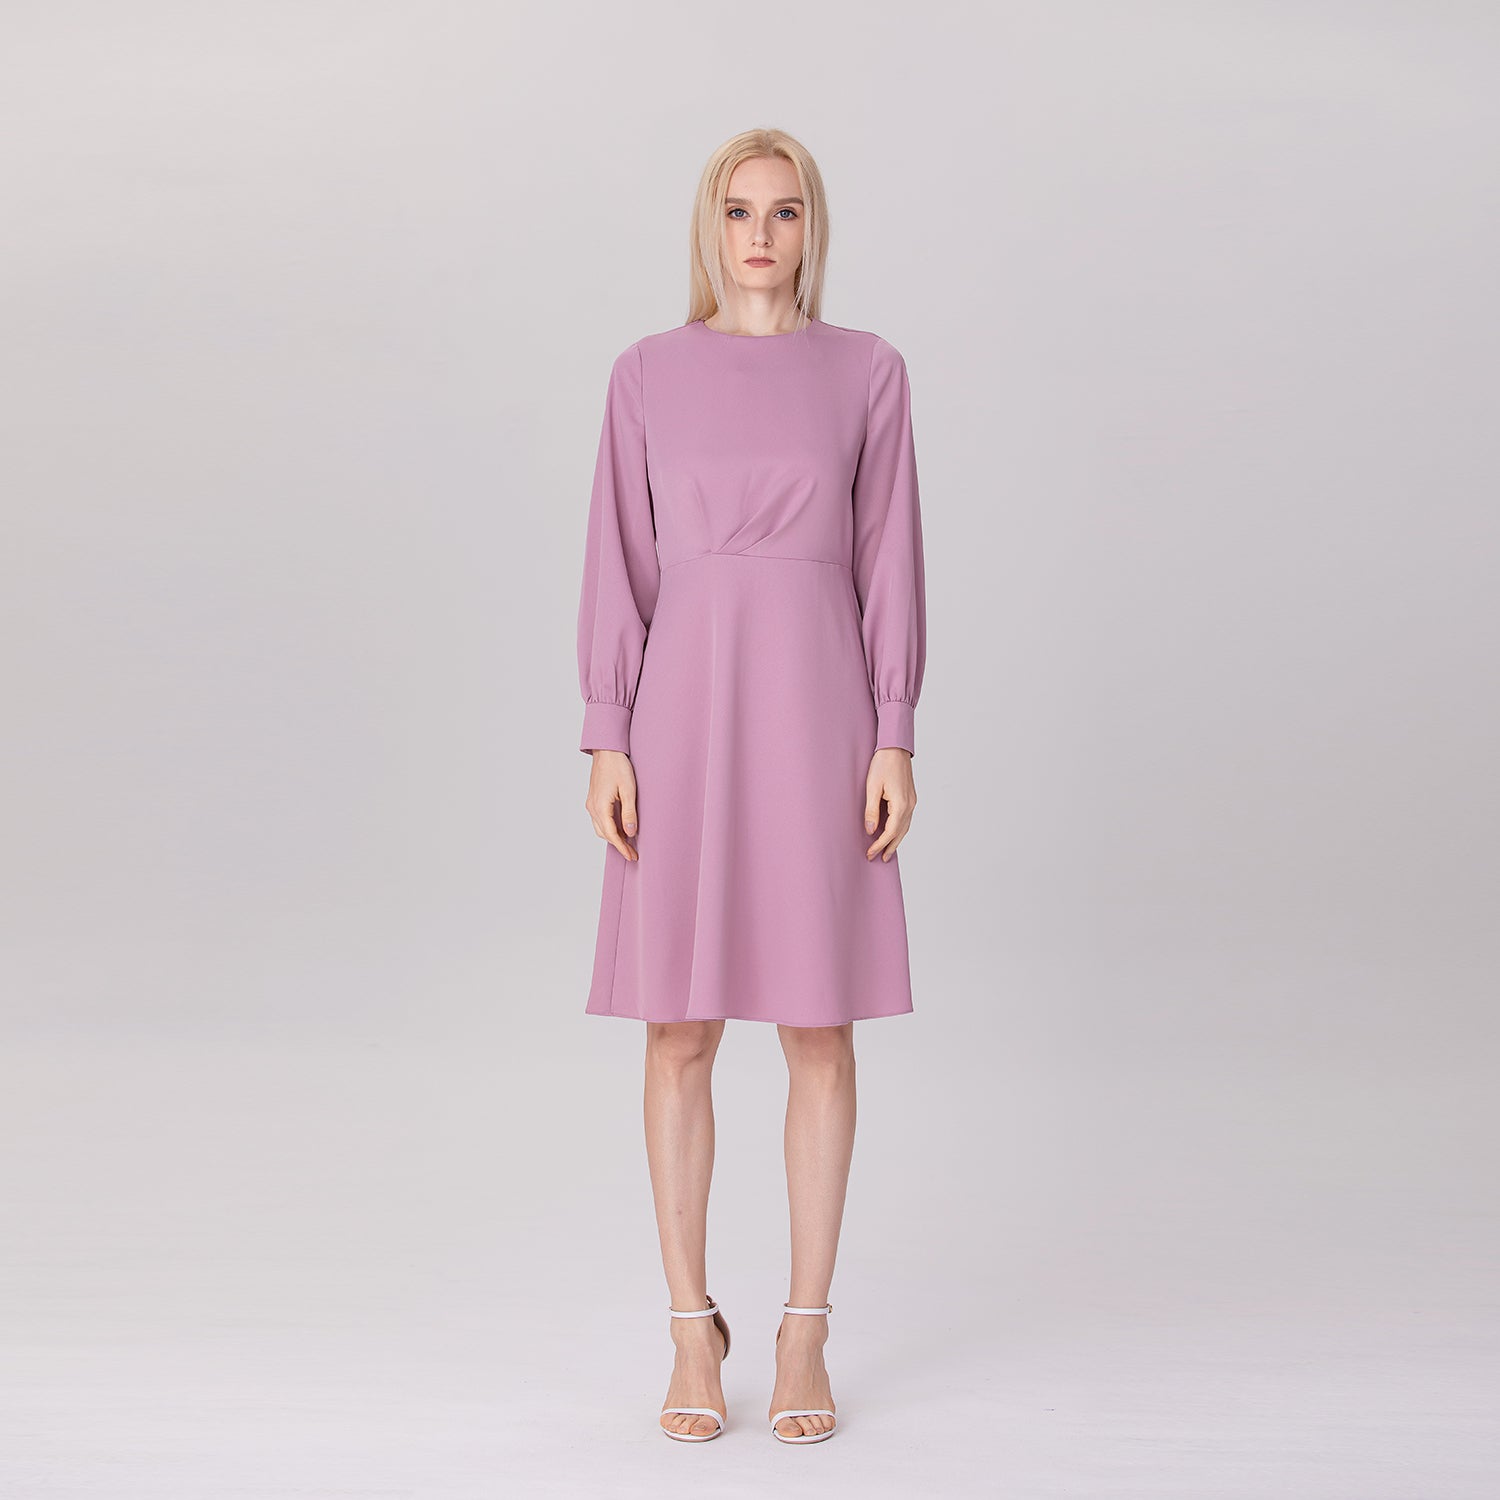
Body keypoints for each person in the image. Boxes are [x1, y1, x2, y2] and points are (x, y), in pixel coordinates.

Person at [575, 127, 928, 1445]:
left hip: (820, 714)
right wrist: (608, 733)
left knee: (818, 1028)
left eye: (784, 211)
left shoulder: (868, 373)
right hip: (680, 720)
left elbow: (889, 557)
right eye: (738, 210)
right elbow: (619, 559)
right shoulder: (647, 375)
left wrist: (894, 731)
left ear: (810, 228)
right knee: (678, 1030)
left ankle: (804, 1330)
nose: (761, 234)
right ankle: (689, 1325)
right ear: (709, 228)